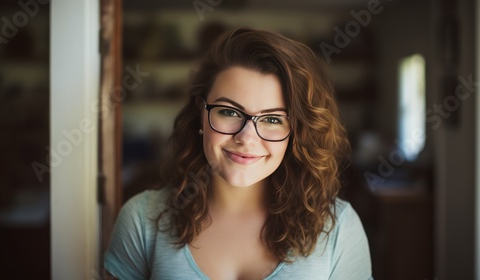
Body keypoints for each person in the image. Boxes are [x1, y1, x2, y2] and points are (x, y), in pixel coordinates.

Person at [104, 27, 372, 280]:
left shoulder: (338, 229)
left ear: (296, 133)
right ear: (201, 114)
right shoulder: (141, 219)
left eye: (273, 119)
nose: (246, 138)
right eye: (229, 112)